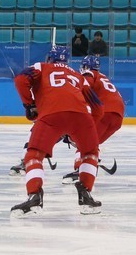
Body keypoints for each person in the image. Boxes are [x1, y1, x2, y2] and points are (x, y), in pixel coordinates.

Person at [10, 45, 103, 217]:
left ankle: (35, 196)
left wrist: (29, 104)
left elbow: (20, 79)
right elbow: (97, 108)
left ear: (49, 58)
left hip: (51, 116)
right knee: (90, 153)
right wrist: (86, 130)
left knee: (33, 155)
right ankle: (86, 196)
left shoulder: (41, 67)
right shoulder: (77, 75)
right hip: (82, 117)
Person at [62, 55, 125, 184]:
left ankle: (80, 170)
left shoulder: (89, 74)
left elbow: (84, 86)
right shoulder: (103, 77)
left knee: (84, 140)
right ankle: (93, 161)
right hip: (118, 116)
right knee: (92, 143)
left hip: (106, 112)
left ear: (86, 66)